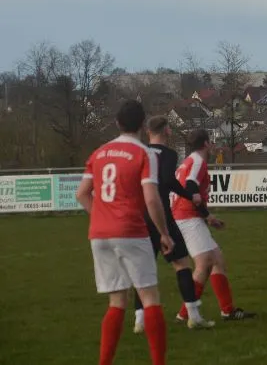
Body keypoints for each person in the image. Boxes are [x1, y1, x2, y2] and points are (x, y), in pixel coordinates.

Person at [75, 99, 173, 365]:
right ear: (142, 124)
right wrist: (164, 233)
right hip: (130, 230)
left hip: (99, 235)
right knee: (149, 297)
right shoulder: (145, 153)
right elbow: (151, 198)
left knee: (117, 301)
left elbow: (82, 194)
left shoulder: (99, 153)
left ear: (117, 123)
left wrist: (102, 216)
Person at [132, 116, 215, 333]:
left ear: (148, 132)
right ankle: (193, 316)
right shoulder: (168, 154)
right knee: (182, 264)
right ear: (167, 130)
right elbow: (167, 180)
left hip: (141, 216)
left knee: (144, 268)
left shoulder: (140, 152)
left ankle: (140, 320)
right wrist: (189, 195)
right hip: (161, 215)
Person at [172, 129, 256, 321]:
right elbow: (190, 187)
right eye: (211, 142)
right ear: (206, 143)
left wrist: (207, 217)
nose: (212, 145)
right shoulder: (198, 161)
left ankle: (227, 310)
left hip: (186, 216)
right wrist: (207, 215)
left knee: (217, 260)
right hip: (187, 217)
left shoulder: (188, 161)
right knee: (205, 263)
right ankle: (185, 314)